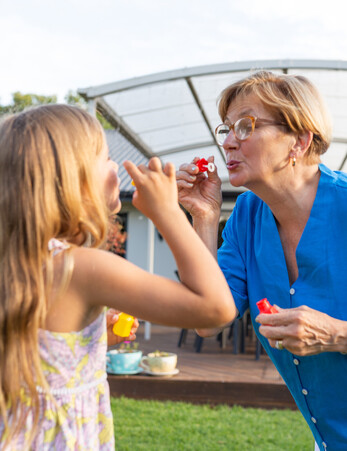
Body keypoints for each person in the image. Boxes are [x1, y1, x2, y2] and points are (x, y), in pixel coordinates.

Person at [0, 104, 236, 450]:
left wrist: (92, 343)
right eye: (107, 158)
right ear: (73, 181)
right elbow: (216, 308)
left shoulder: (18, 263)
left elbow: (35, 359)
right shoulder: (82, 267)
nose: (118, 168)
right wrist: (169, 213)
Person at [176, 70, 347, 451]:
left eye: (245, 126)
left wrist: (337, 334)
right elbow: (208, 321)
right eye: (226, 130)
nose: (229, 143)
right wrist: (205, 218)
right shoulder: (246, 215)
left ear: (299, 141)